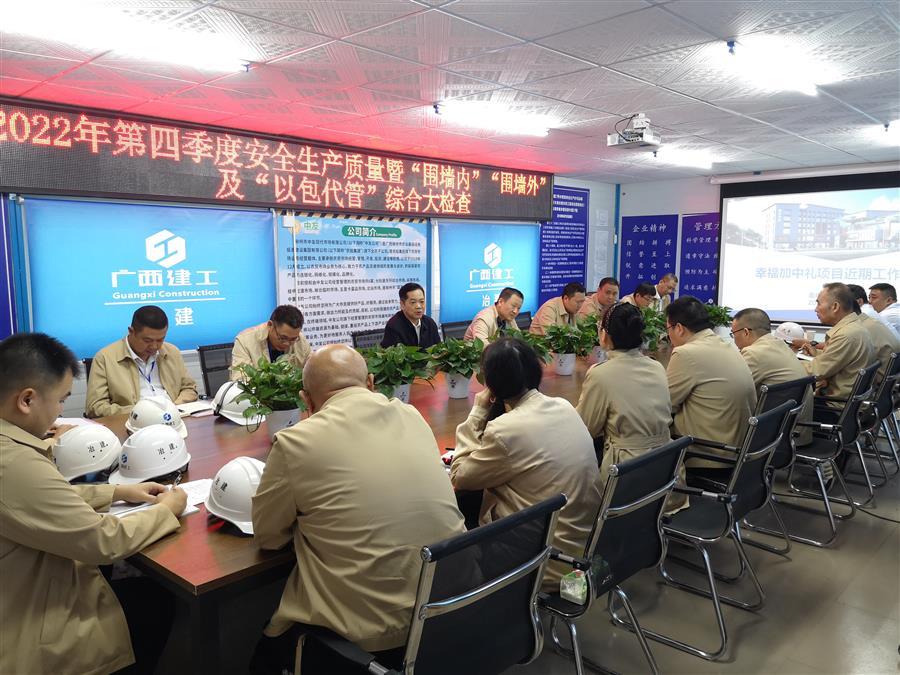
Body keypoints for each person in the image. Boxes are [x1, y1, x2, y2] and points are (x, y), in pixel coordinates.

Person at [250, 345, 465, 674]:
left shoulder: (296, 442)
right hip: (450, 613)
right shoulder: (412, 416)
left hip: (371, 642)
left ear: (306, 401)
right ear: (371, 383)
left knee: (262, 654)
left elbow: (268, 537)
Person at [0, 332, 187, 675]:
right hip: (31, 627)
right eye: (61, 400)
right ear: (26, 400)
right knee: (156, 599)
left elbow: (37, 500)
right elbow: (102, 541)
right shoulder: (13, 462)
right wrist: (164, 512)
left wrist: (116, 493)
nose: (60, 413)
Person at [450, 337, 602, 589]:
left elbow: (459, 476)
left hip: (543, 559)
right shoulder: (564, 406)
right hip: (584, 547)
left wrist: (477, 412)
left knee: (458, 525)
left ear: (491, 385)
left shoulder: (505, 430)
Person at [576, 303, 686, 512]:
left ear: (605, 334)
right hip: (666, 474)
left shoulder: (601, 374)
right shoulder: (656, 366)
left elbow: (585, 429)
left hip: (627, 479)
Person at [665, 296, 757, 467]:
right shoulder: (726, 345)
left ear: (679, 328)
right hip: (739, 452)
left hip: (707, 455)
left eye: (668, 329)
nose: (668, 336)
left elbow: (665, 405)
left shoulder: (686, 353)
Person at [86, 305, 198, 418]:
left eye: (160, 340)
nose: (154, 346)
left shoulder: (172, 352)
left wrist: (174, 407)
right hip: (133, 421)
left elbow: (189, 388)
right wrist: (141, 412)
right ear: (131, 331)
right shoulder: (105, 358)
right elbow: (95, 407)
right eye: (147, 340)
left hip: (174, 417)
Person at [731, 308, 813, 446]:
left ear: (745, 332)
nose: (733, 339)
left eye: (733, 334)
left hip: (773, 439)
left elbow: (729, 391)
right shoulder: (780, 345)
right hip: (796, 432)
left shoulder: (754, 353)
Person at [799, 283, 874, 403]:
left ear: (835, 307)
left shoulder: (846, 335)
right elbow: (838, 359)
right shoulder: (854, 327)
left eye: (819, 303)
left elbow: (815, 372)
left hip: (834, 405)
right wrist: (817, 353)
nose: (816, 309)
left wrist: (786, 362)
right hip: (848, 403)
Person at [230, 304, 312, 380]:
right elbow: (240, 378)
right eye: (283, 338)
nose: (287, 343)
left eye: (293, 339)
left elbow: (313, 367)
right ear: (270, 325)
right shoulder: (245, 341)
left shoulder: (300, 340)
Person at [847, 284, 899, 384]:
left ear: (859, 302)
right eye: (869, 297)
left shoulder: (866, 315)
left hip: (880, 377)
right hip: (890, 373)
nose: (870, 301)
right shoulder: (873, 313)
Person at [380, 282, 440, 349]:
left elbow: (438, 349)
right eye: (413, 302)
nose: (419, 306)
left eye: (422, 301)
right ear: (402, 304)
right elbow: (394, 354)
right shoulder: (394, 327)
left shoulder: (430, 323)